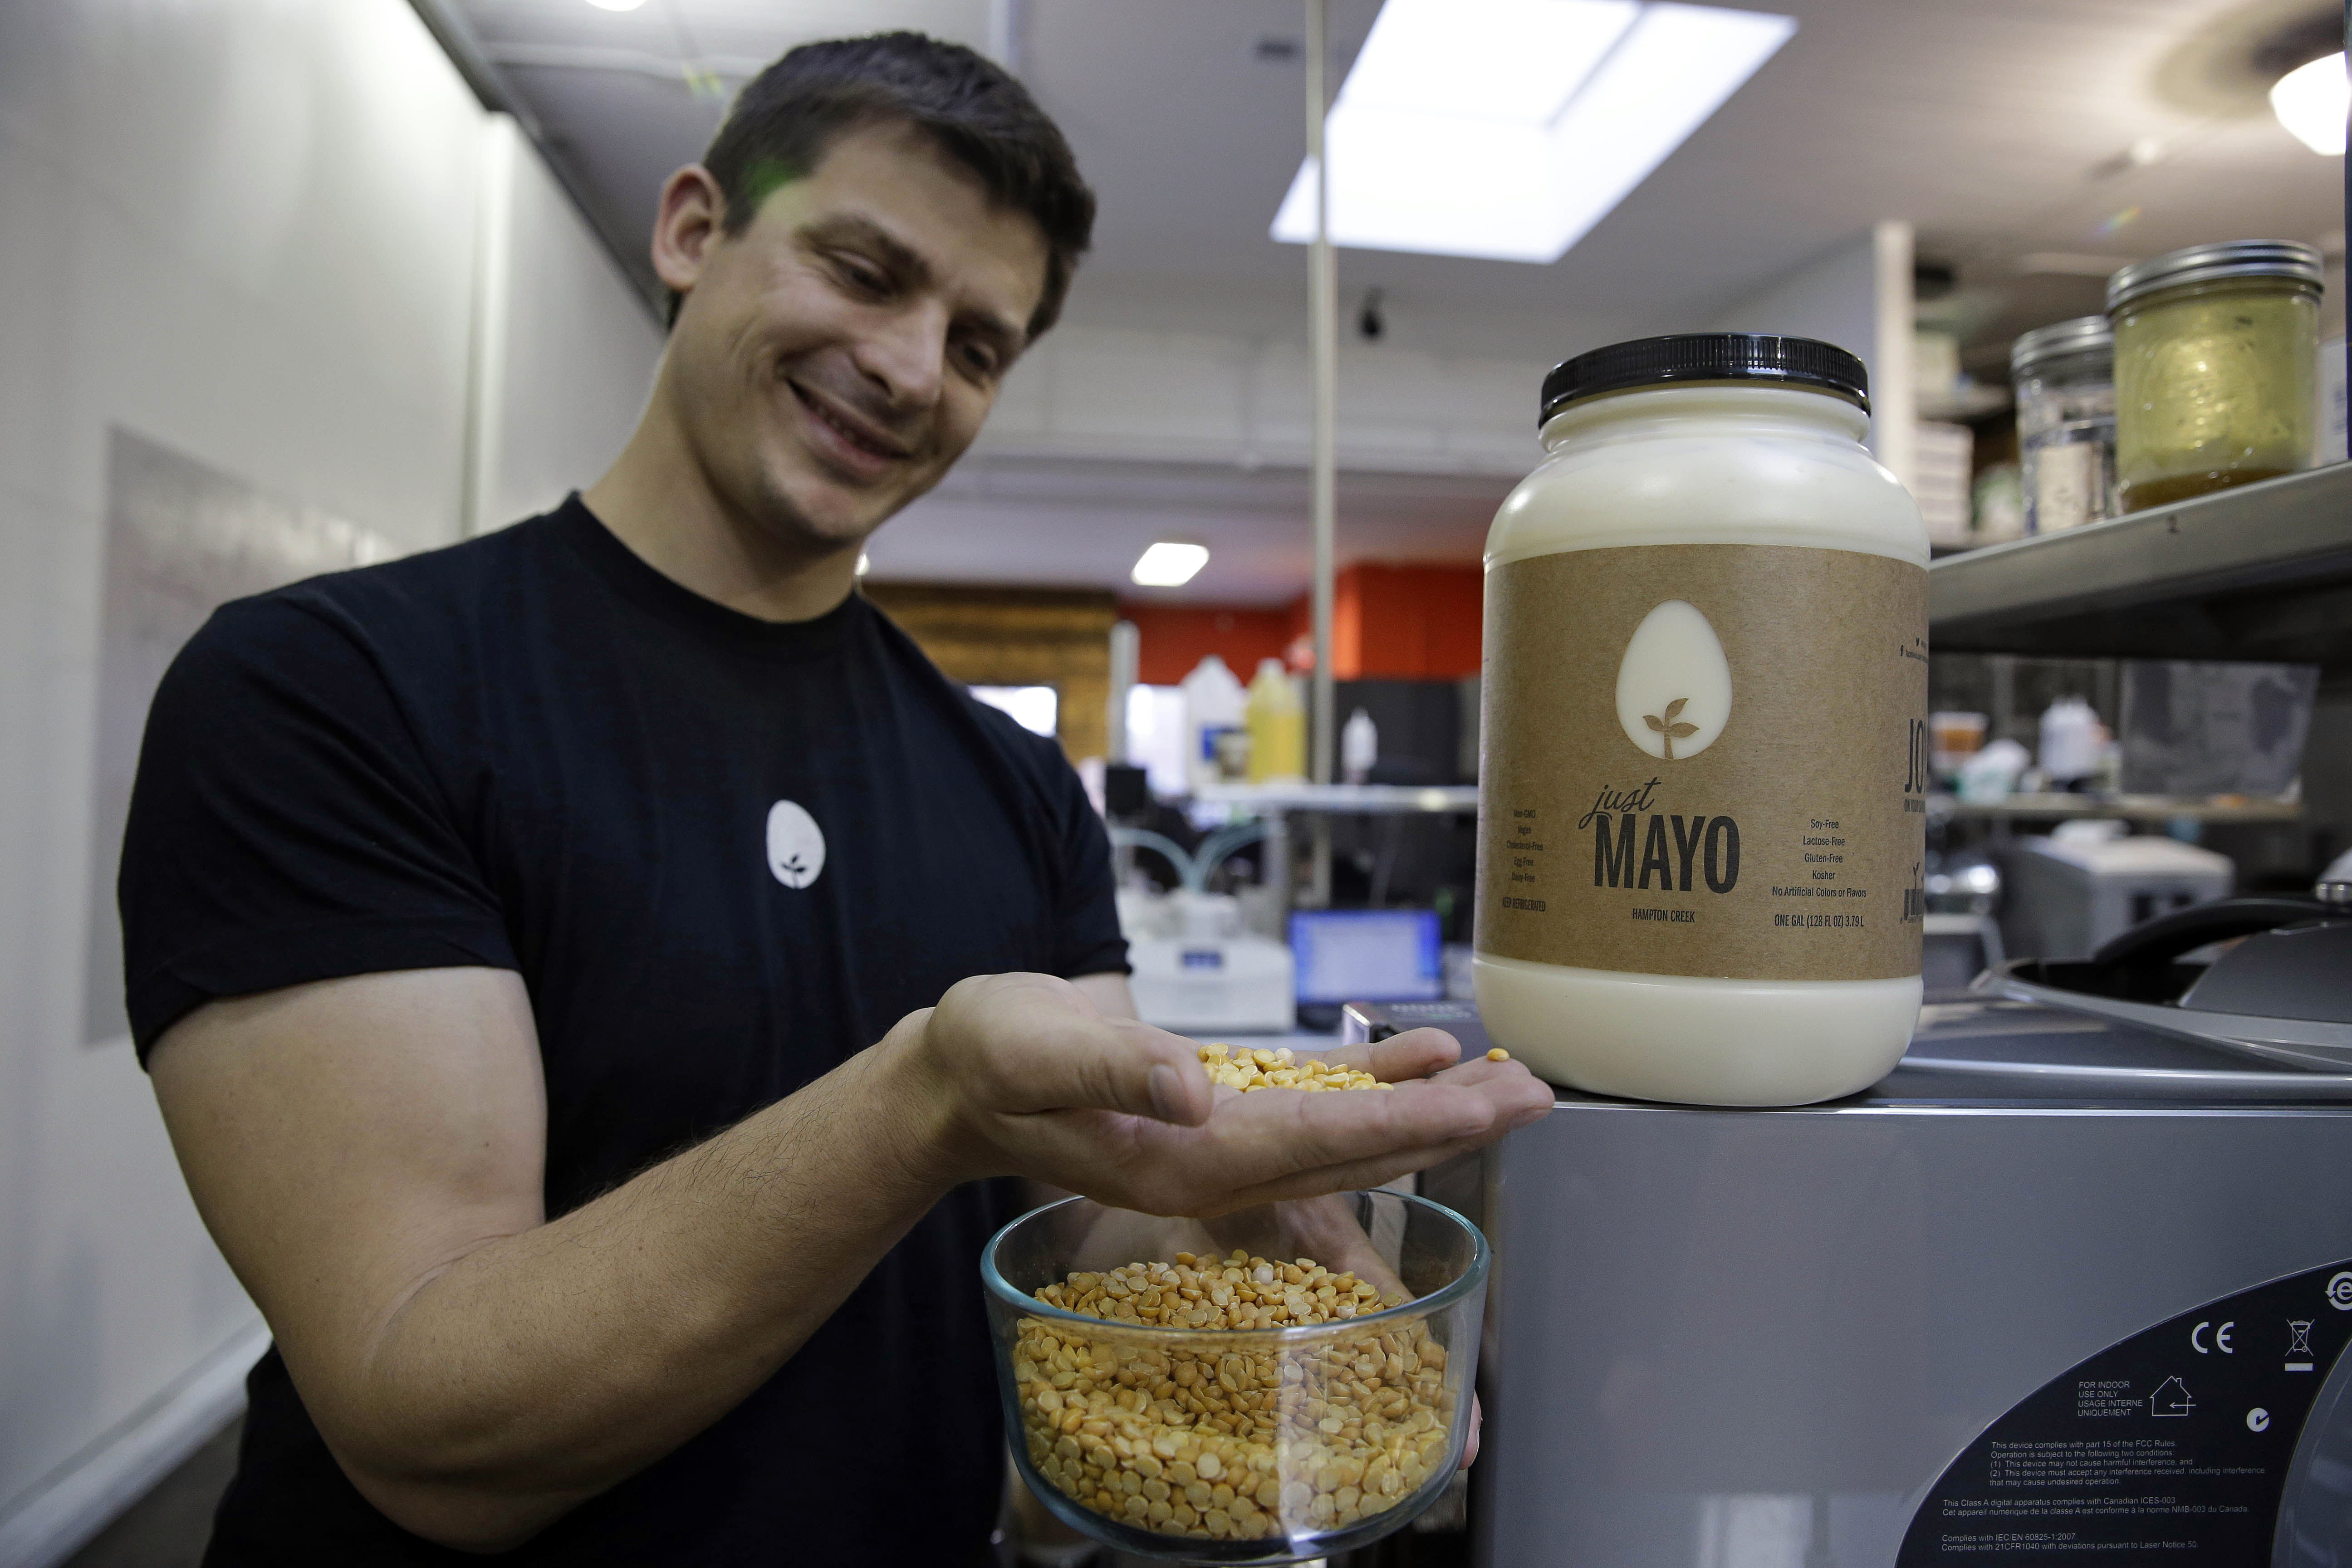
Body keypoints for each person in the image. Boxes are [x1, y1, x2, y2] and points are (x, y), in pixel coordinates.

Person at [120, 32, 1550, 1567]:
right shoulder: (335, 692)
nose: (914, 369)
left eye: (981, 345)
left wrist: (1243, 1221)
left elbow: (1080, 1212)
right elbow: (429, 1418)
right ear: (692, 230)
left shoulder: (1010, 787)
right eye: (866, 271)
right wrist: (915, 1104)